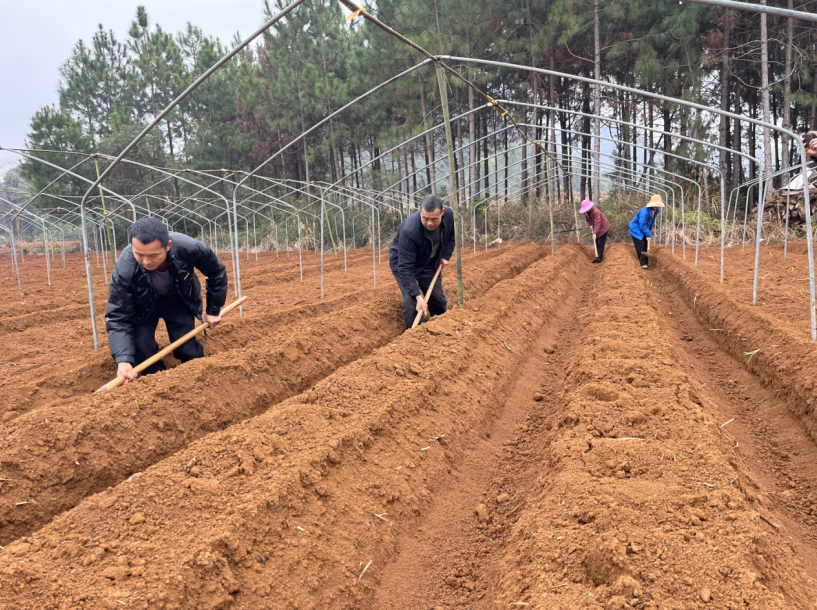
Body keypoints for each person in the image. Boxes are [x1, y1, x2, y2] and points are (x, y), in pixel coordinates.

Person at [105, 217, 228, 382]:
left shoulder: (188, 248)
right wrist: (123, 359)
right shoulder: (125, 268)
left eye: (154, 255)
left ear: (168, 246)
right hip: (142, 304)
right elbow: (117, 315)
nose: (146, 261)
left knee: (185, 347)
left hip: (177, 298)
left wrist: (213, 310)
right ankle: (157, 382)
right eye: (139, 254)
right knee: (142, 348)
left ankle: (202, 378)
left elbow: (216, 272)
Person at [389, 194, 456, 330]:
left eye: (434, 219)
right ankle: (414, 335)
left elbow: (451, 236)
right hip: (403, 263)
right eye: (425, 218)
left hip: (428, 262)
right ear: (420, 211)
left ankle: (441, 326)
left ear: (442, 213)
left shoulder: (449, 216)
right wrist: (417, 296)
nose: (429, 223)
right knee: (411, 301)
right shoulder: (410, 230)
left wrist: (445, 255)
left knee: (437, 298)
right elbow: (405, 268)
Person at [629, 195, 664, 269]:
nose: (656, 206)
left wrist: (648, 231)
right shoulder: (644, 212)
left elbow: (650, 222)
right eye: (655, 205)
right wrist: (648, 234)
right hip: (636, 230)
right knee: (641, 246)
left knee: (645, 245)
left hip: (644, 229)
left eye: (657, 205)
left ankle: (646, 263)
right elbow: (642, 225)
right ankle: (643, 264)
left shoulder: (655, 211)